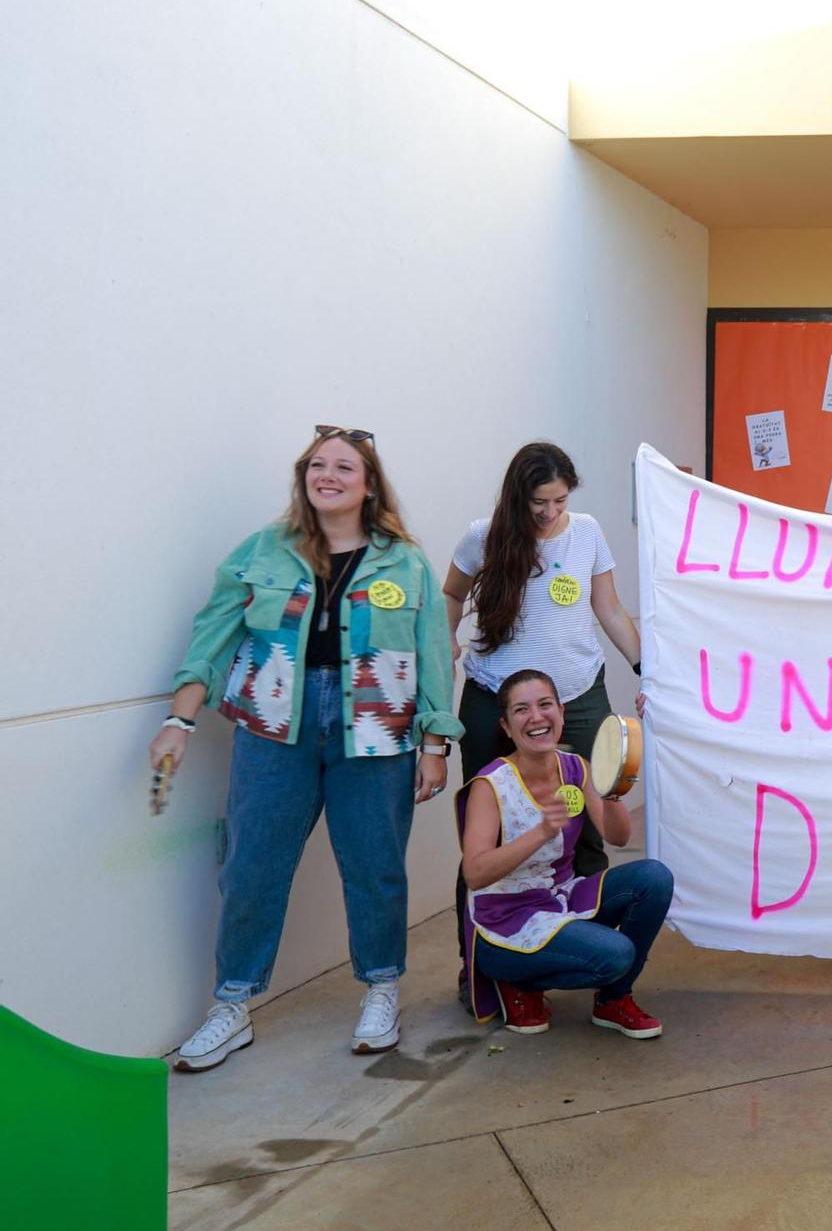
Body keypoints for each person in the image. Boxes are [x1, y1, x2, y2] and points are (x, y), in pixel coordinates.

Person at [150, 427, 461, 1072]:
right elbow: (209, 640)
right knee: (251, 866)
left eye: (344, 467)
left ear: (368, 483)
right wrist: (178, 723)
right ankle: (231, 1005)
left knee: (374, 867)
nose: (329, 475)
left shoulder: (405, 562)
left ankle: (381, 990)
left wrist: (436, 743)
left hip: (375, 735)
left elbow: (433, 656)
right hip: (272, 730)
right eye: (317, 465)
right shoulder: (261, 552)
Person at [442, 443, 643, 989]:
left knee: (588, 831)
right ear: (517, 496)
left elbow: (609, 610)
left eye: (558, 500)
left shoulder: (589, 534)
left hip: (577, 698)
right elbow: (452, 595)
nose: (549, 512)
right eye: (538, 502)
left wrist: (648, 669)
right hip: (495, 698)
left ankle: (587, 952)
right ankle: (479, 971)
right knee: (484, 833)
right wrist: (449, 640)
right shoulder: (483, 536)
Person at [459, 669, 672, 1036]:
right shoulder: (490, 784)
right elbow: (475, 873)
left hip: (561, 900)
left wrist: (614, 789)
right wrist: (541, 832)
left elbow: (617, 836)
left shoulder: (576, 767)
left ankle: (613, 1000)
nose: (536, 717)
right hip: (504, 926)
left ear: (561, 712)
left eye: (545, 705)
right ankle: (518, 982)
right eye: (522, 710)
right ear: (507, 727)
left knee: (655, 878)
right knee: (616, 953)